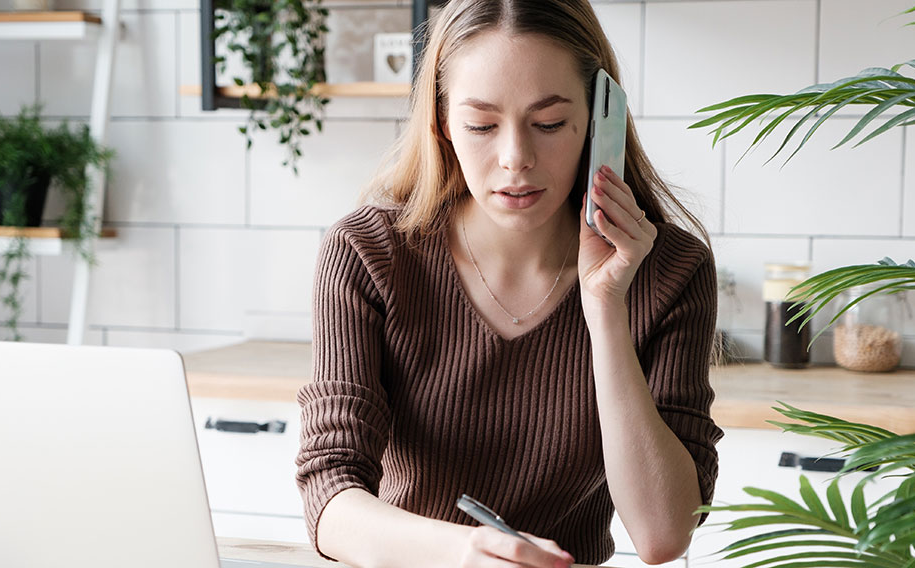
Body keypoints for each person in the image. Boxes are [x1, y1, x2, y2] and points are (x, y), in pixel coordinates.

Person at [295, 1, 724, 566]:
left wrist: (605, 308)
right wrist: (467, 553)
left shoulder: (671, 269)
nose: (515, 158)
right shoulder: (368, 253)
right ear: (442, 124)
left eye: (548, 124)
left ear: (601, 121)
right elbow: (331, 498)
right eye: (481, 125)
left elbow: (663, 535)